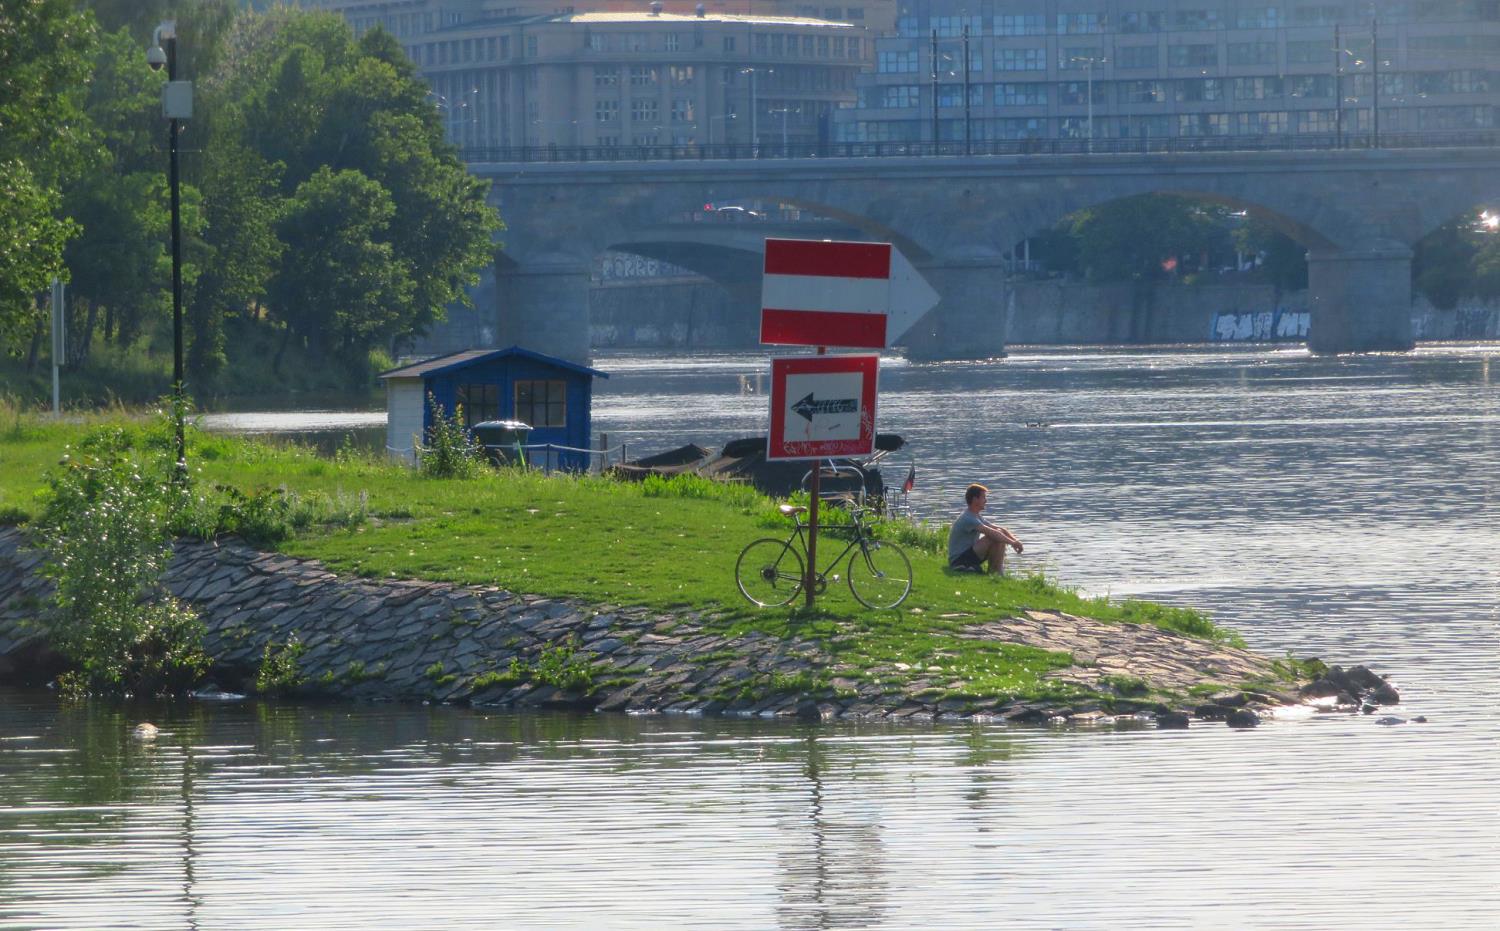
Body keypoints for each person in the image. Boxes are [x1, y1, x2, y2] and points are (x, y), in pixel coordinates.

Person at [947, 483, 1023, 574]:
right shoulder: (968, 518)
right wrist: (1012, 543)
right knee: (994, 537)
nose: (986, 501)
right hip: (958, 560)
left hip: (968, 555)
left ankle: (996, 573)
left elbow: (999, 529)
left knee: (999, 535)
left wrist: (1015, 541)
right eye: (983, 497)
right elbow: (991, 532)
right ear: (975, 499)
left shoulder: (976, 516)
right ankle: (996, 572)